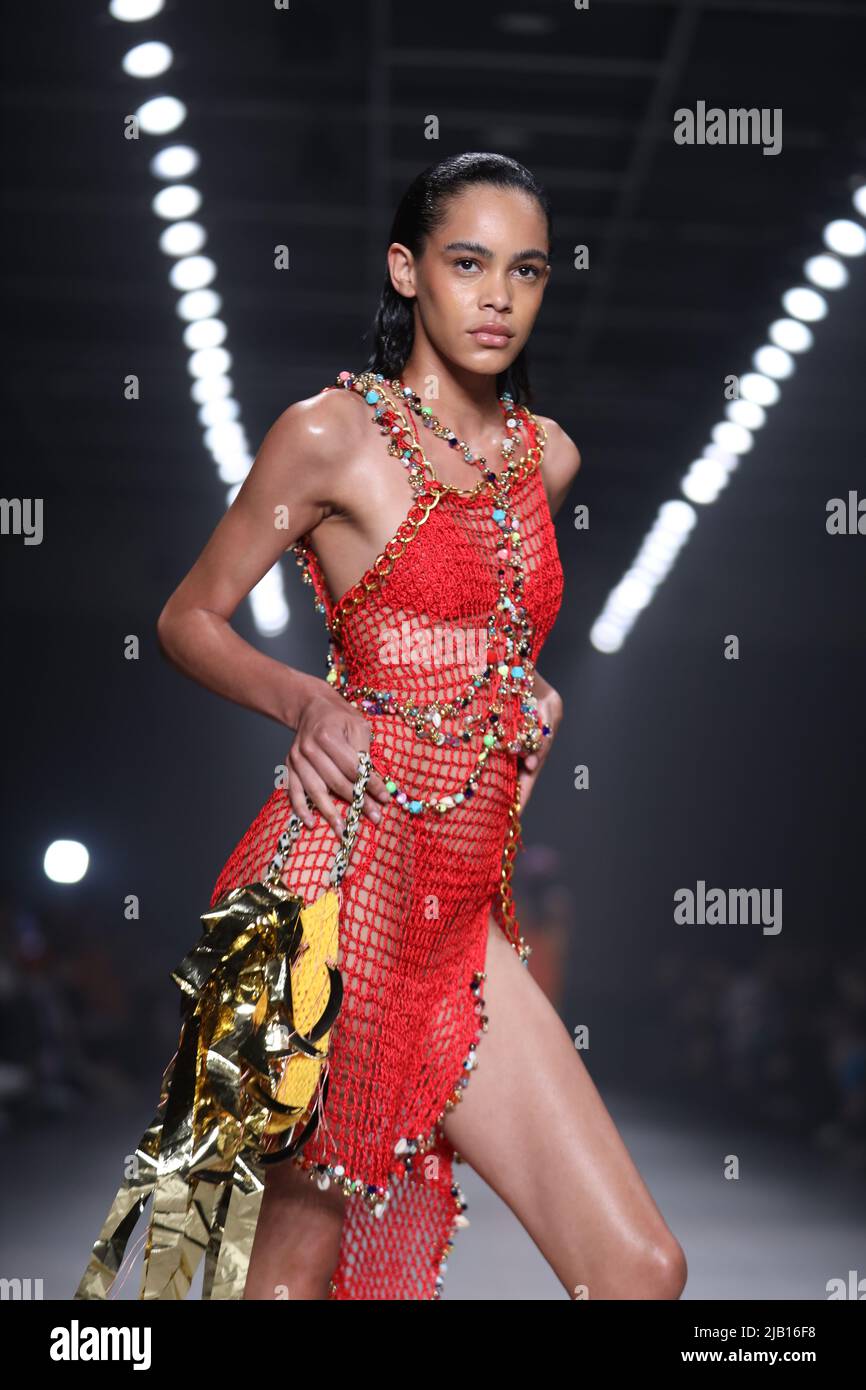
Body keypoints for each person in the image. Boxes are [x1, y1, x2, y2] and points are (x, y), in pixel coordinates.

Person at [156, 151, 687, 1301]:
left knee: (639, 1271)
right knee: (292, 1274)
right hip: (340, 889)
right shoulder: (330, 435)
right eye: (466, 263)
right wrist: (305, 698)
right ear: (407, 271)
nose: (497, 296)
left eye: (526, 271)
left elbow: (487, 649)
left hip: (460, 911)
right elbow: (187, 616)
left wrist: (526, 699)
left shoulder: (546, 459)